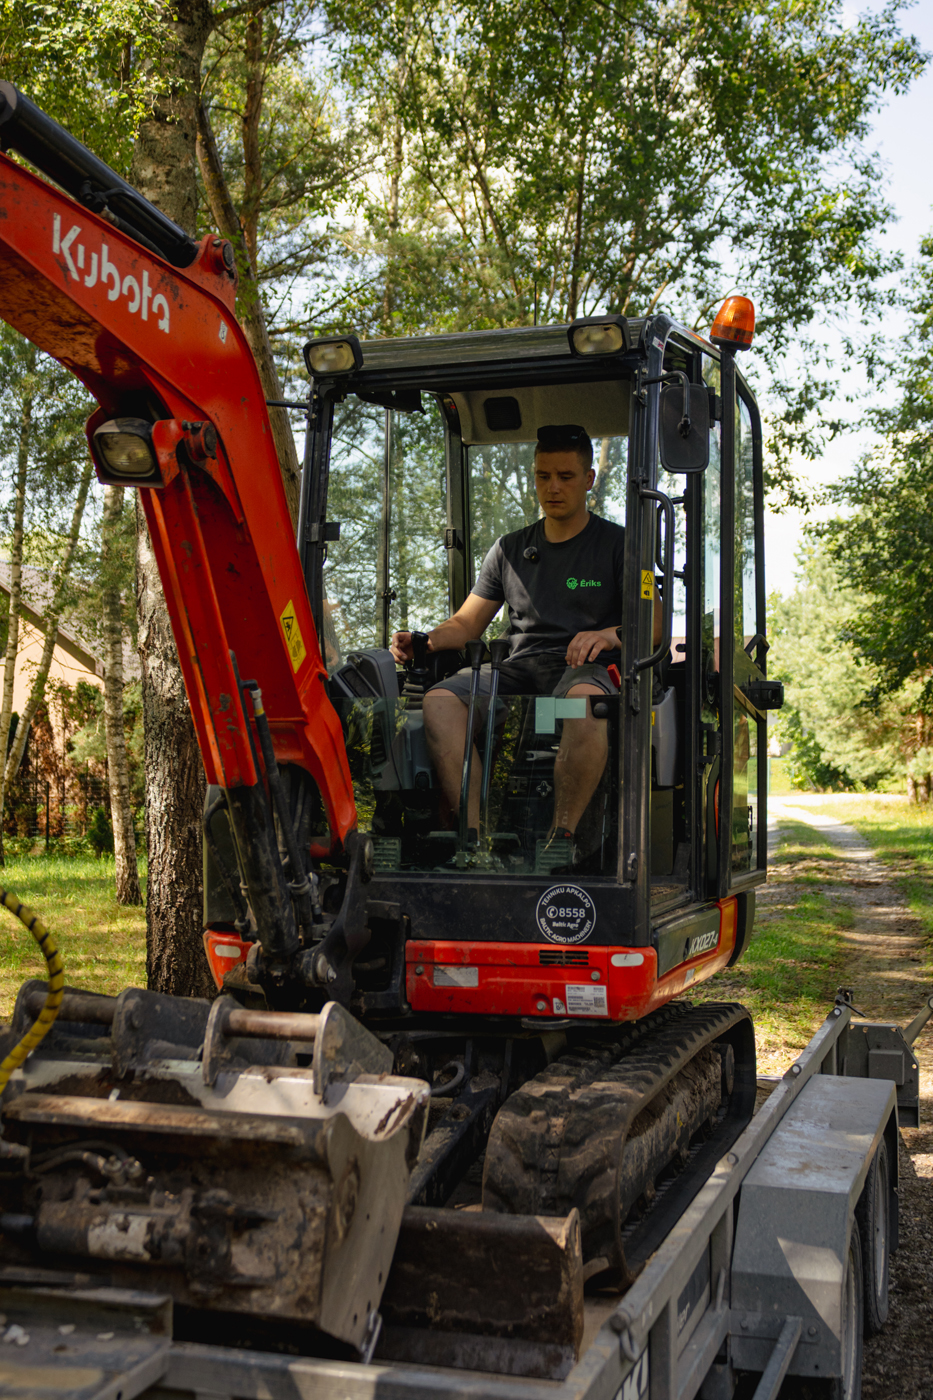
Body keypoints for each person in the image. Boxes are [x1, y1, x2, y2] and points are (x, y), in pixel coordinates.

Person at [390, 423, 660, 855]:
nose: (552, 487)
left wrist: (608, 634)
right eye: (543, 476)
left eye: (566, 477)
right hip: (514, 677)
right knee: (440, 701)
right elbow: (466, 624)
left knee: (584, 701)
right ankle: (473, 839)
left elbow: (653, 627)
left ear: (589, 480)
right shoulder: (510, 549)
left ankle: (562, 839)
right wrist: (426, 641)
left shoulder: (620, 545)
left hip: (578, 674)